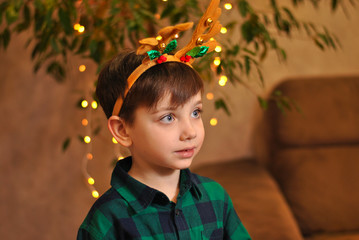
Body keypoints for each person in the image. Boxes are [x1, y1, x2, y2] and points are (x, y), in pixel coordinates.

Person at [77, 0, 251, 239]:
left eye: (195, 113)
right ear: (123, 130)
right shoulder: (107, 220)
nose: (189, 131)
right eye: (168, 117)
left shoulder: (216, 197)